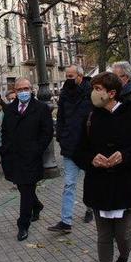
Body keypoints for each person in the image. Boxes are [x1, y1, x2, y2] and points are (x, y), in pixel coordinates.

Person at [72, 72, 131, 262]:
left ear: (112, 93)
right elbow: (78, 151)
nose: (93, 92)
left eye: (98, 89)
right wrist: (91, 160)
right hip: (100, 187)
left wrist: (124, 156)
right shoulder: (90, 117)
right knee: (103, 236)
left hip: (126, 186)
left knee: (124, 235)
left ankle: (125, 255)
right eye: (93, 88)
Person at [0, 78, 53, 241]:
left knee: (27, 189)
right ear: (15, 92)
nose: (23, 92)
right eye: (20, 89)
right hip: (14, 157)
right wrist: (5, 149)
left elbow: (47, 132)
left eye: (26, 88)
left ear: (32, 89)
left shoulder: (41, 108)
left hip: (31, 157)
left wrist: (37, 150)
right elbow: (5, 131)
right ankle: (36, 206)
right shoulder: (9, 109)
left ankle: (23, 225)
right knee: (23, 187)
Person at [48, 65, 94, 234]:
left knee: (90, 182)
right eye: (66, 75)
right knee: (69, 185)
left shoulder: (91, 92)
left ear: (80, 76)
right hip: (69, 147)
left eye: (71, 75)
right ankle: (66, 221)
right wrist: (61, 136)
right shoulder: (65, 93)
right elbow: (60, 117)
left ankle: (91, 209)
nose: (68, 78)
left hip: (88, 147)